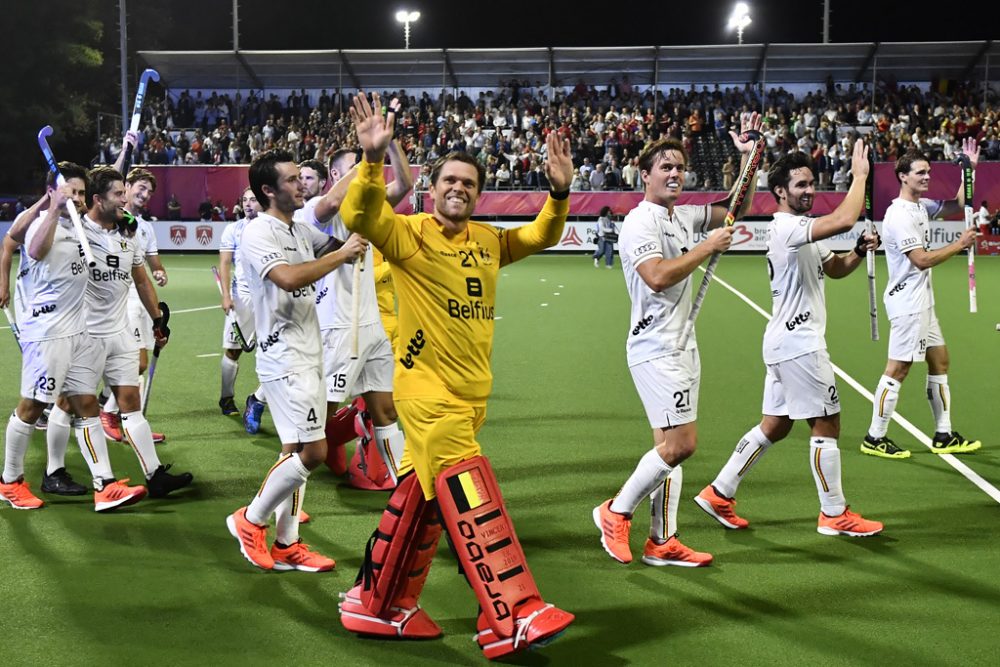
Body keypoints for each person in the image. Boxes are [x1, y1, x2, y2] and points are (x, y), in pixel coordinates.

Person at [336, 92, 574, 659]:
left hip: (471, 396)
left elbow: (542, 235)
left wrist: (559, 192)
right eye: (450, 180)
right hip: (426, 393)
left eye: (469, 183)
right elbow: (361, 216)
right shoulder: (407, 234)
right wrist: (371, 161)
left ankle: (378, 602)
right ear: (433, 186)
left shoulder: (488, 242)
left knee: (420, 494)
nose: (459, 189)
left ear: (478, 191)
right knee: (469, 484)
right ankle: (512, 612)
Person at [592, 112, 762, 569]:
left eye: (679, 168)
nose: (674, 173)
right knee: (682, 444)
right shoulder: (639, 223)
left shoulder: (684, 215)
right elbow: (657, 278)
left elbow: (734, 208)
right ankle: (615, 510)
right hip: (655, 347)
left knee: (666, 448)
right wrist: (706, 247)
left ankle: (661, 540)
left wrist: (748, 161)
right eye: (664, 167)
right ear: (644, 176)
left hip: (683, 342)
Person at [695, 141, 884, 538]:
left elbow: (833, 268)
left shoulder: (805, 230)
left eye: (811, 183)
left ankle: (719, 492)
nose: (809, 190)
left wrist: (857, 251)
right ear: (780, 192)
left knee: (775, 425)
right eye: (800, 184)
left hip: (784, 342)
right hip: (800, 343)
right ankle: (833, 513)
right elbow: (846, 218)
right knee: (827, 422)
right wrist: (861, 176)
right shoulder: (787, 227)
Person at [225, 149, 366, 572]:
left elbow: (339, 236)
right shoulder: (259, 232)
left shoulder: (299, 229)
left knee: (294, 449)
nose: (300, 184)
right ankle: (249, 520)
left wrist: (364, 172)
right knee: (314, 450)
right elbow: (286, 278)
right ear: (267, 190)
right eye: (290, 180)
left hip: (307, 350)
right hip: (284, 355)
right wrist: (341, 255)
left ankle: (288, 542)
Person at [1, 166, 149, 511]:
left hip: (78, 331)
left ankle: (106, 485)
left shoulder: (80, 226)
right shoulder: (44, 223)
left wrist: (123, 218)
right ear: (53, 194)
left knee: (87, 406)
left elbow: (110, 210)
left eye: (81, 194)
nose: (78, 200)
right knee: (32, 406)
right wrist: (51, 206)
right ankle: (10, 481)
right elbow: (32, 248)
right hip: (47, 332)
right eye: (73, 192)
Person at [293, 147, 412, 484]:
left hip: (371, 327)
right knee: (317, 424)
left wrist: (391, 145)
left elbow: (403, 185)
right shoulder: (313, 213)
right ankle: (280, 498)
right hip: (338, 329)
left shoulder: (367, 210)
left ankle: (403, 489)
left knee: (387, 411)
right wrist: (369, 159)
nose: (371, 175)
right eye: (358, 170)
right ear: (336, 176)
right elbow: (331, 202)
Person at [860, 140, 982, 459]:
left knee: (939, 359)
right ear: (903, 176)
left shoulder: (920, 206)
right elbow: (921, 260)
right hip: (907, 305)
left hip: (923, 303)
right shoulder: (899, 215)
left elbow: (956, 204)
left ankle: (943, 434)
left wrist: (970, 169)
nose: (926, 177)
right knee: (897, 369)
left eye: (928, 172)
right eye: (920, 173)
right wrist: (960, 244)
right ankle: (875, 437)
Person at [99, 167, 167, 444]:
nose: (145, 194)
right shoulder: (108, 219)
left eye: (149, 191)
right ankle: (108, 412)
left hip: (138, 301)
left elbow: (151, 263)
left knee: (134, 364)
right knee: (134, 362)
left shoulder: (145, 227)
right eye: (140, 187)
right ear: (126, 186)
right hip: (116, 299)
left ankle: (128, 421)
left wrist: (160, 272)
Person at [218, 187, 262, 415]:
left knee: (271, 350)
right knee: (233, 350)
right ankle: (226, 398)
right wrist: (226, 295)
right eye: (244, 200)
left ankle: (261, 399)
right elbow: (225, 263)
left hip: (268, 297)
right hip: (242, 297)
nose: (248, 204)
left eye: (253, 200)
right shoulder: (233, 229)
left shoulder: (272, 225)